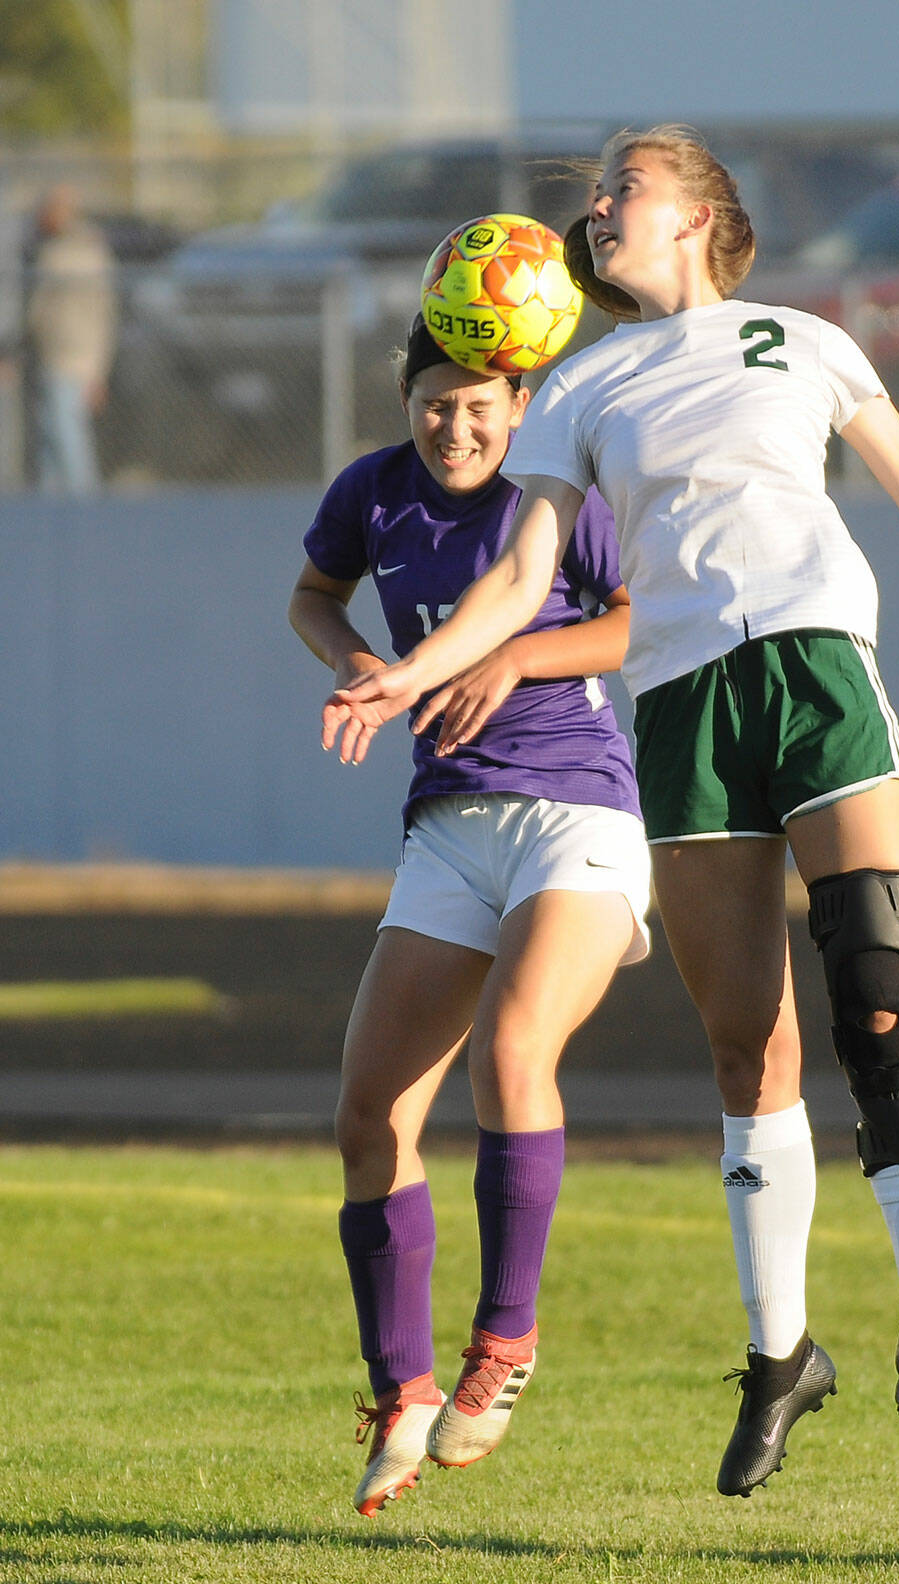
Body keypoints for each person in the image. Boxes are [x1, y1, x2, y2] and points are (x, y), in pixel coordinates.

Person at [324, 128, 899, 1499]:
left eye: (626, 189)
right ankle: (782, 1358)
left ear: (701, 215)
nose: (599, 212)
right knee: (741, 1044)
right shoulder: (578, 388)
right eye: (594, 197)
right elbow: (521, 580)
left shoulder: (803, 341)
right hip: (682, 708)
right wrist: (406, 672)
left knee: (879, 979)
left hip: (820, 664)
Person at [289, 312, 651, 1517]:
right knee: (366, 1117)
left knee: (513, 1049)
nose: (457, 425)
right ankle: (400, 1391)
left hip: (577, 814)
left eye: (482, 404)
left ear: (521, 407)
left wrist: (512, 659)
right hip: (449, 825)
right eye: (436, 403)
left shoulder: (560, 493)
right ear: (409, 403)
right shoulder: (373, 492)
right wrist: (354, 659)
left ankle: (504, 1345)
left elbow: (641, 618)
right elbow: (310, 594)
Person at [26, 183, 116, 493]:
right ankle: (50, 505)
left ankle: (84, 500)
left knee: (68, 432)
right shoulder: (52, 248)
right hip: (52, 354)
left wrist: (97, 371)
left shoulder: (80, 250)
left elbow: (101, 315)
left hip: (75, 356)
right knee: (50, 433)